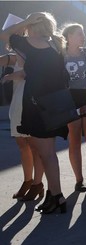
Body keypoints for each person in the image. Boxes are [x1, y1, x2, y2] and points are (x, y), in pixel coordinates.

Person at [0, 12, 69, 214]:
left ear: (33, 25)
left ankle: (56, 196)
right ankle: (55, 194)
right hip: (56, 103)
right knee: (49, 154)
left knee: (45, 154)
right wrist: (15, 75)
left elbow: (4, 34)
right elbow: (36, 72)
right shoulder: (56, 45)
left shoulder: (28, 43)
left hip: (36, 104)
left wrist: (26, 21)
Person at [61, 23, 86, 192]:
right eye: (79, 33)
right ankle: (79, 180)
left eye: (83, 33)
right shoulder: (60, 56)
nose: (83, 36)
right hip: (69, 100)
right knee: (74, 141)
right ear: (69, 36)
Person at [1, 52, 44, 201]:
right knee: (22, 145)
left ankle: (37, 184)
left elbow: (29, 72)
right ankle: (27, 181)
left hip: (32, 104)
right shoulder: (12, 56)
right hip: (17, 104)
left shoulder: (35, 52)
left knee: (35, 146)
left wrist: (9, 77)